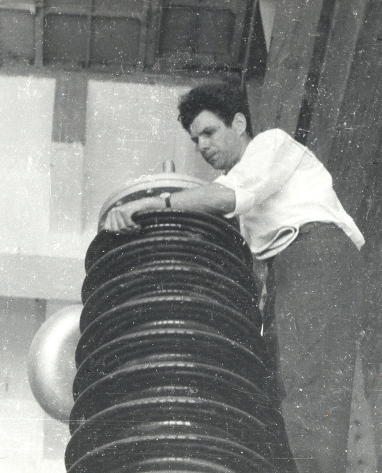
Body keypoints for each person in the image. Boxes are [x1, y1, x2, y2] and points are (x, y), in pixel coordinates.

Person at [103, 83, 365, 473]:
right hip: (286, 271)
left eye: (209, 132)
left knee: (310, 386)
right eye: (195, 140)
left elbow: (226, 197)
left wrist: (155, 203)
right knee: (279, 390)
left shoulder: (270, 145)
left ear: (239, 123)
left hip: (313, 253)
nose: (202, 146)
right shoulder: (245, 203)